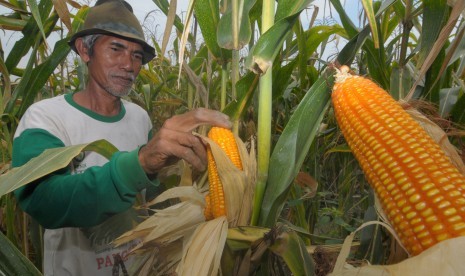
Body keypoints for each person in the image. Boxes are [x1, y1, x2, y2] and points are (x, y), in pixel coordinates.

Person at [11, 0, 231, 275]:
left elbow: (150, 201)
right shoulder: (45, 118)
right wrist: (139, 165)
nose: (129, 65)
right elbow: (43, 200)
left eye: (137, 55)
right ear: (84, 50)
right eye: (116, 49)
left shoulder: (139, 117)